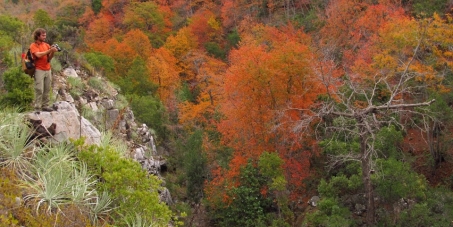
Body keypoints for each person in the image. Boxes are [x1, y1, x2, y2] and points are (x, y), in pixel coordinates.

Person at [30, 28, 58, 112]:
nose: (45, 37)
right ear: (38, 36)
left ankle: (45, 105)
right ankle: (37, 107)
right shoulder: (33, 45)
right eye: (43, 35)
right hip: (39, 69)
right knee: (39, 89)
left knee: (47, 88)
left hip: (48, 69)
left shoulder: (46, 45)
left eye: (45, 35)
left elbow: (49, 59)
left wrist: (52, 51)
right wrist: (49, 50)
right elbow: (38, 55)